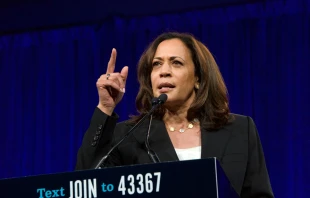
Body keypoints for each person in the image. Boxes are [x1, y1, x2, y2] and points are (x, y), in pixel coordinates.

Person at [75, 32, 274, 197]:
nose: (164, 71)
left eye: (176, 63)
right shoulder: (129, 136)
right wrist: (105, 107)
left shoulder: (239, 129)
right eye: (156, 64)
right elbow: (84, 185)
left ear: (198, 78)